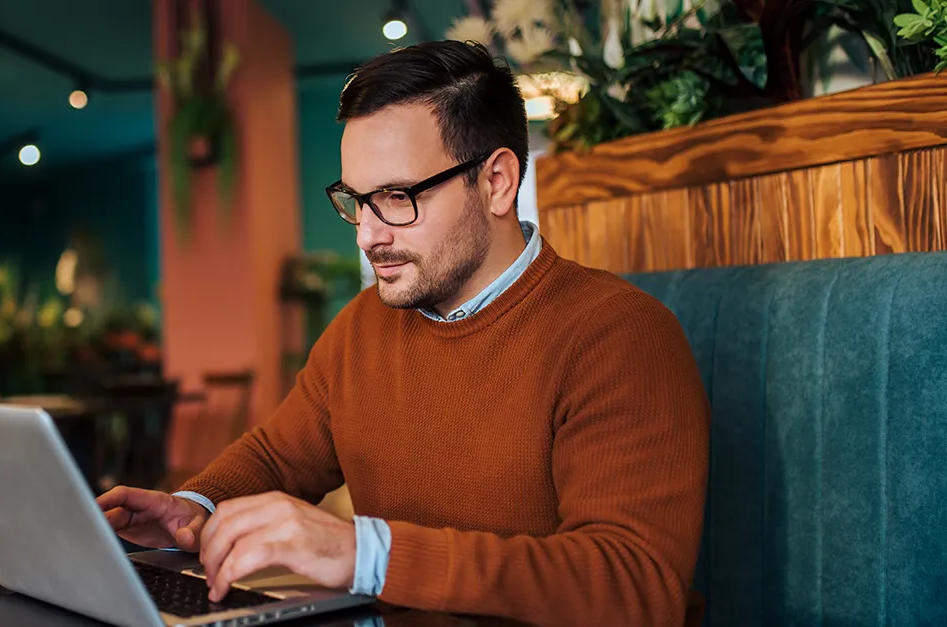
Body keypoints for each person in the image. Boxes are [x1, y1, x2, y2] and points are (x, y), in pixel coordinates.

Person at [98, 39, 710, 627]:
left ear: (497, 182)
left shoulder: (620, 335)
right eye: (356, 200)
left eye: (396, 196)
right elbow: (278, 455)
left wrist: (367, 555)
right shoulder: (363, 327)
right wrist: (193, 509)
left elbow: (636, 587)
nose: (366, 235)